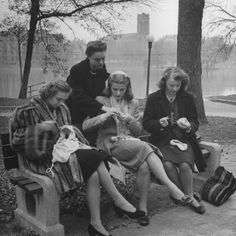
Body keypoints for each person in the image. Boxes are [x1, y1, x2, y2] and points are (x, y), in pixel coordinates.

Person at [10, 80, 142, 236]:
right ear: (47, 94)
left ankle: (96, 224)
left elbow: (66, 131)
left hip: (64, 152)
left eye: (64, 100)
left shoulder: (62, 108)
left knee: (93, 173)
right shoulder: (27, 111)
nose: (61, 103)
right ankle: (118, 200)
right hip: (44, 160)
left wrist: (67, 131)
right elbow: (16, 142)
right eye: (58, 99)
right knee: (95, 157)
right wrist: (42, 129)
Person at [82, 71, 191, 226]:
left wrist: (130, 120)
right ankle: (171, 186)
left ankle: (142, 209)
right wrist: (104, 116)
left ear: (127, 88)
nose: (119, 93)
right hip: (109, 145)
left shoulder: (133, 103)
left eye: (122, 89)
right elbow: (86, 126)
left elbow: (139, 131)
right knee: (144, 146)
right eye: (115, 89)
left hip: (130, 145)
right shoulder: (101, 101)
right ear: (109, 87)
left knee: (145, 165)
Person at [142, 66, 206, 214]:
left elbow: (195, 121)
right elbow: (146, 123)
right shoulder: (153, 98)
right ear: (164, 82)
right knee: (168, 165)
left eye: (178, 86)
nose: (174, 89)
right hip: (162, 141)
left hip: (184, 140)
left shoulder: (187, 98)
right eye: (171, 85)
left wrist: (189, 126)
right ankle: (185, 195)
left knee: (184, 165)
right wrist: (159, 123)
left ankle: (188, 197)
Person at [66, 40, 114, 145]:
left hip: (92, 114)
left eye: (103, 58)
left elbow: (100, 89)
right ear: (88, 56)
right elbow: (78, 97)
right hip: (76, 114)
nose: (101, 62)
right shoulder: (77, 70)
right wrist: (102, 107)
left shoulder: (101, 67)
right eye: (97, 59)